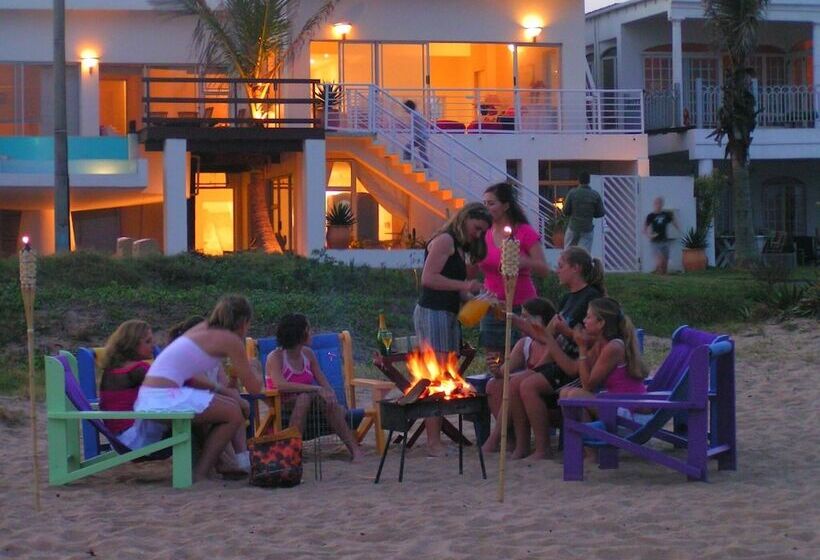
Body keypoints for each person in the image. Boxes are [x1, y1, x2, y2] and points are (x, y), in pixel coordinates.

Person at [128, 295, 262, 482]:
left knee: (229, 405)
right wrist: (255, 366)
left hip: (150, 396)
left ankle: (223, 463)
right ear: (244, 322)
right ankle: (201, 472)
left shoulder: (203, 328)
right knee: (233, 413)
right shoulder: (230, 339)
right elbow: (255, 389)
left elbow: (190, 374)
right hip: (163, 398)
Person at [414, 201, 492, 456]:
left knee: (444, 374)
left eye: (482, 231)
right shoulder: (445, 240)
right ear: (466, 218)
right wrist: (465, 285)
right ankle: (433, 442)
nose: (478, 234)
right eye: (477, 228)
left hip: (446, 313)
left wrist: (478, 300)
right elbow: (428, 278)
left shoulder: (457, 246)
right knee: (436, 376)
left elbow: (455, 287)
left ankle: (434, 440)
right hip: (433, 312)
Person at [516, 246, 605, 459]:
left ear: (576, 268)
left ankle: (543, 448)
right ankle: (520, 446)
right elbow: (547, 337)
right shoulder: (567, 299)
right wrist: (515, 320)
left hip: (575, 366)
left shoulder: (591, 297)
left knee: (528, 386)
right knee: (514, 383)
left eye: (561, 266)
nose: (557, 270)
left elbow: (590, 338)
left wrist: (564, 331)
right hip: (558, 361)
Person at [266, 313, 363, 462]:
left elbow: (325, 384)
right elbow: (280, 385)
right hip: (282, 406)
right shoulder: (276, 357)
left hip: (311, 405)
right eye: (308, 329)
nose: (311, 333)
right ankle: (292, 455)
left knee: (321, 401)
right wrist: (315, 389)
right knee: (305, 397)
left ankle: (355, 451)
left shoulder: (308, 354)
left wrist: (332, 398)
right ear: (300, 334)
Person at [479, 182, 550, 374]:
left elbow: (543, 268)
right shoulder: (484, 232)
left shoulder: (523, 232)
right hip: (493, 306)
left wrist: (523, 261)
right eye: (484, 203)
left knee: (519, 361)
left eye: (491, 203)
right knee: (495, 363)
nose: (486, 208)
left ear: (506, 205)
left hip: (521, 305)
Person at [167, 315, 252, 473]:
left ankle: (241, 460)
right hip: (185, 407)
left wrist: (234, 378)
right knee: (229, 410)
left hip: (207, 404)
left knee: (232, 404)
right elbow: (201, 388)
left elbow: (227, 387)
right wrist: (236, 399)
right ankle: (228, 463)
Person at [481, 297, 557, 459]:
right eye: (521, 316)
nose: (522, 321)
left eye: (526, 316)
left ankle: (498, 439)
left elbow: (539, 371)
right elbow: (503, 372)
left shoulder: (553, 343)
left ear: (540, 319)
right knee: (494, 385)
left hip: (547, 395)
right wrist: (495, 369)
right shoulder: (525, 343)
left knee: (516, 383)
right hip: (524, 390)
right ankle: (510, 439)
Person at [550, 297, 647, 418]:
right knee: (566, 393)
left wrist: (582, 348)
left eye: (588, 317)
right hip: (616, 403)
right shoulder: (600, 344)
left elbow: (587, 386)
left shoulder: (614, 347)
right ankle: (581, 435)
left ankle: (582, 434)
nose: (584, 320)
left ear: (601, 323)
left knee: (574, 395)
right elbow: (581, 375)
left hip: (628, 409)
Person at [98, 320, 154, 435]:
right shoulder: (138, 370)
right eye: (148, 341)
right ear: (132, 344)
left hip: (118, 437)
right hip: (135, 436)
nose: (153, 345)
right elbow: (168, 392)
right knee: (192, 423)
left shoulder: (111, 369)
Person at [563, 171, 605, 252]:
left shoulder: (572, 193)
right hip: (587, 229)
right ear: (589, 181)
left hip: (573, 227)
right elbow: (600, 213)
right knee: (584, 254)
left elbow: (565, 211)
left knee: (568, 253)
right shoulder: (595, 194)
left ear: (579, 180)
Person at [644, 196, 681, 275]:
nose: (658, 205)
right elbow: (644, 229)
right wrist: (649, 235)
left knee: (665, 262)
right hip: (655, 242)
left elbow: (673, 221)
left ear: (662, 204)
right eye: (657, 203)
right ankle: (658, 272)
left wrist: (678, 229)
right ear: (654, 204)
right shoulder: (650, 216)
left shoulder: (665, 214)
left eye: (660, 203)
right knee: (659, 260)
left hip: (664, 241)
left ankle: (663, 275)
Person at [404, 99, 429, 168]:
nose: (405, 110)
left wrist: (414, 138)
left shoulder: (415, 116)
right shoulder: (415, 114)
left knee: (421, 153)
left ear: (409, 107)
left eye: (405, 108)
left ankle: (411, 165)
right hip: (419, 137)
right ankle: (413, 164)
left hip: (420, 137)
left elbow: (419, 127)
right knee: (409, 149)